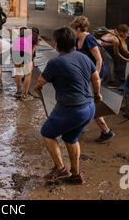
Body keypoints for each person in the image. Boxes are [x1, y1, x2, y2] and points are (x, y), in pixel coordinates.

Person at [35, 27, 101, 185]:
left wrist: (38, 88)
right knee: (71, 138)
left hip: (72, 109)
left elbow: (40, 82)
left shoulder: (55, 62)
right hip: (89, 108)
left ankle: (61, 168)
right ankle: (76, 174)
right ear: (74, 42)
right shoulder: (84, 57)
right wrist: (97, 94)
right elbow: (96, 78)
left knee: (47, 133)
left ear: (57, 44)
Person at [70, 17, 114, 143]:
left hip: (95, 74)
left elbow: (99, 60)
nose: (72, 31)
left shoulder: (89, 39)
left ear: (78, 29)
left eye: (73, 29)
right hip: (87, 74)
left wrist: (96, 77)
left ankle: (106, 131)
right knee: (85, 100)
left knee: (92, 102)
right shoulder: (77, 39)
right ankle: (81, 126)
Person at [12, 27, 35, 101]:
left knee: (18, 71)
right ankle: (25, 95)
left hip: (15, 51)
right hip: (26, 52)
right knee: (28, 73)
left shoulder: (18, 37)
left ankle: (18, 92)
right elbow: (32, 51)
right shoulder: (34, 37)